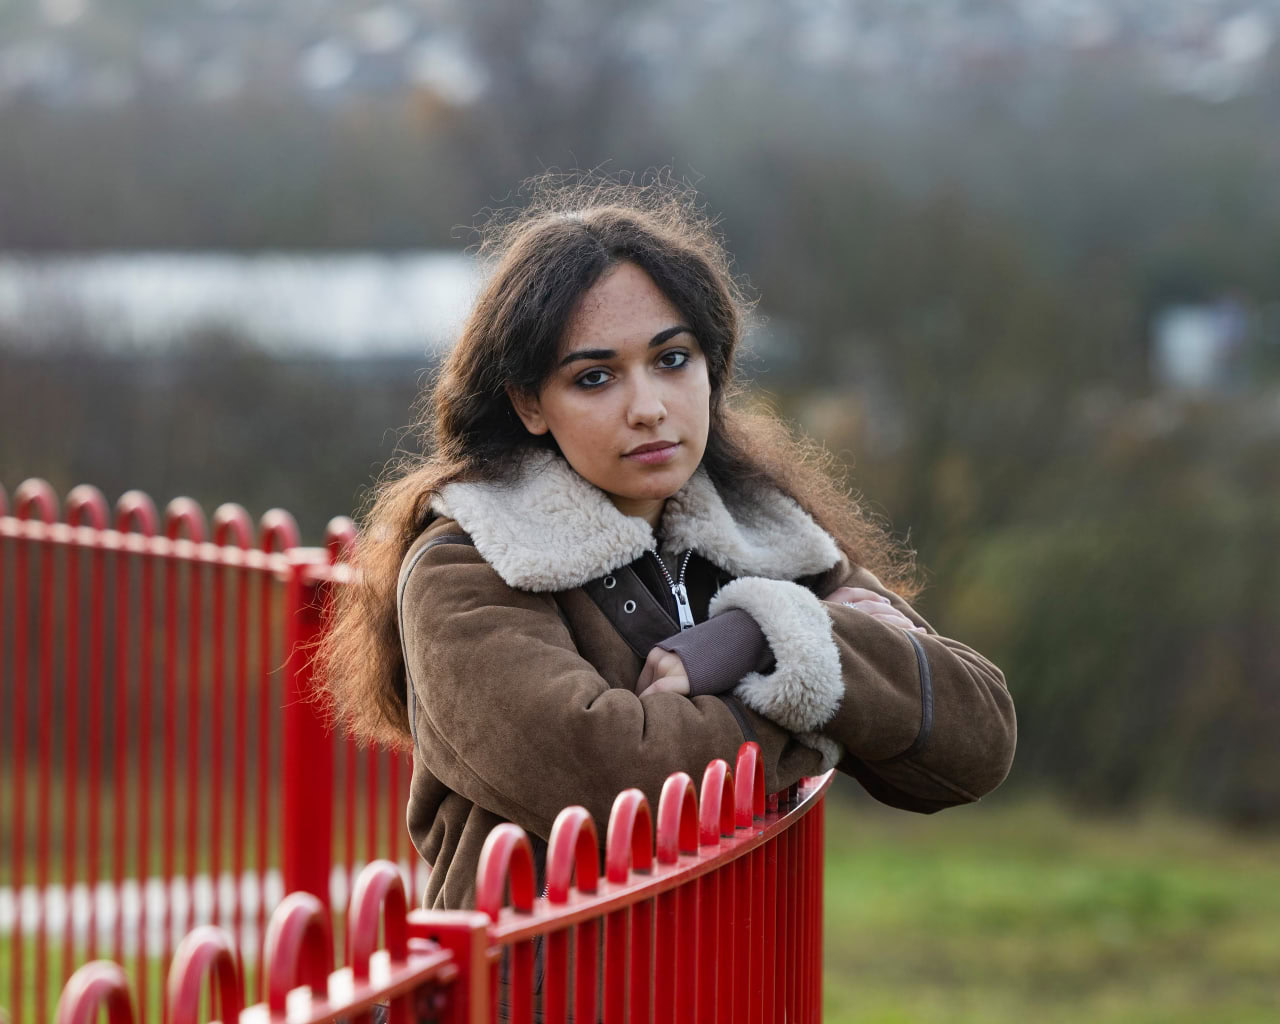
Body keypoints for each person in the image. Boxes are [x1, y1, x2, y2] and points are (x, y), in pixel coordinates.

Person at [319, 177, 1016, 912]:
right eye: (595, 378)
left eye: (672, 359)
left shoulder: (766, 532)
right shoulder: (469, 563)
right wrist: (819, 712)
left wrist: (761, 632)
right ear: (528, 403)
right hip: (545, 975)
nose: (649, 408)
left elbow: (976, 737)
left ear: (712, 367)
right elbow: (612, 778)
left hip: (735, 973)